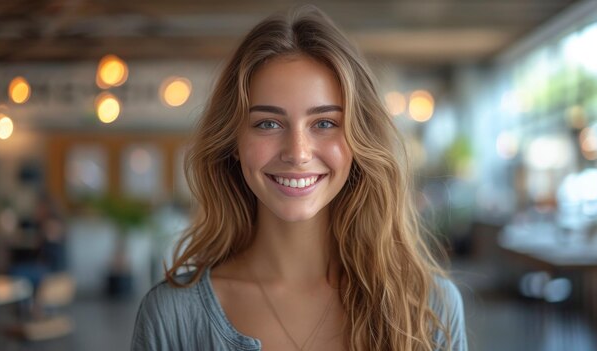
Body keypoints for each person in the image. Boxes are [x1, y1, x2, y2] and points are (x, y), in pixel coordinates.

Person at [132, 5, 467, 351]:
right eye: (268, 123)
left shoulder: (428, 308)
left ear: (359, 141)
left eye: (324, 123)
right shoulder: (171, 316)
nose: (298, 152)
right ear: (234, 143)